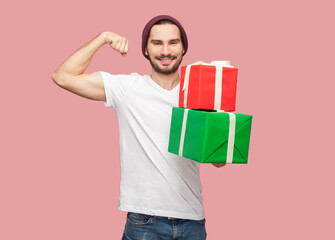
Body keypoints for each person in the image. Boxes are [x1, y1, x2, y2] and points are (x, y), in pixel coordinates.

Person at [52, 15, 225, 240]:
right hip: (145, 222)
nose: (166, 51)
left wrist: (212, 113)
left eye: (173, 42)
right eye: (157, 43)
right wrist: (102, 38)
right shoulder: (127, 89)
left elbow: (219, 162)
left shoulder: (199, 95)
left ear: (183, 48)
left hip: (193, 220)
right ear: (145, 49)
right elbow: (63, 76)